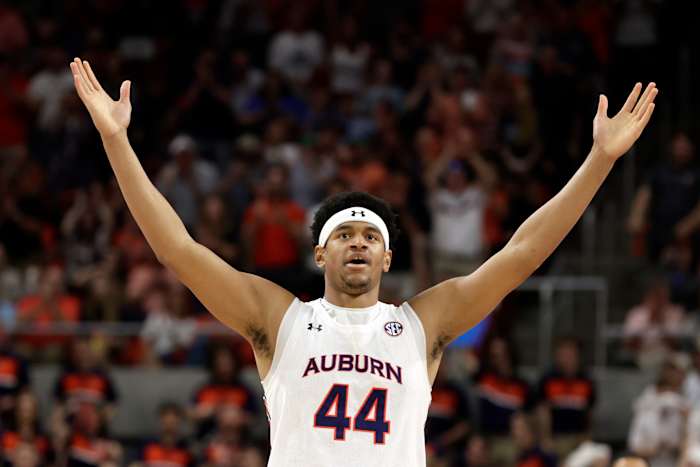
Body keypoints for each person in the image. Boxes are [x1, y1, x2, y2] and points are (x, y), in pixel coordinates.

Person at [69, 57, 657, 466]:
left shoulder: (422, 324)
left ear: (387, 255)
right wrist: (117, 141)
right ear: (321, 251)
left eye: (369, 236)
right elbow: (178, 249)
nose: (357, 242)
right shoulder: (281, 320)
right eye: (344, 234)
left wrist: (599, 161)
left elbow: (521, 254)